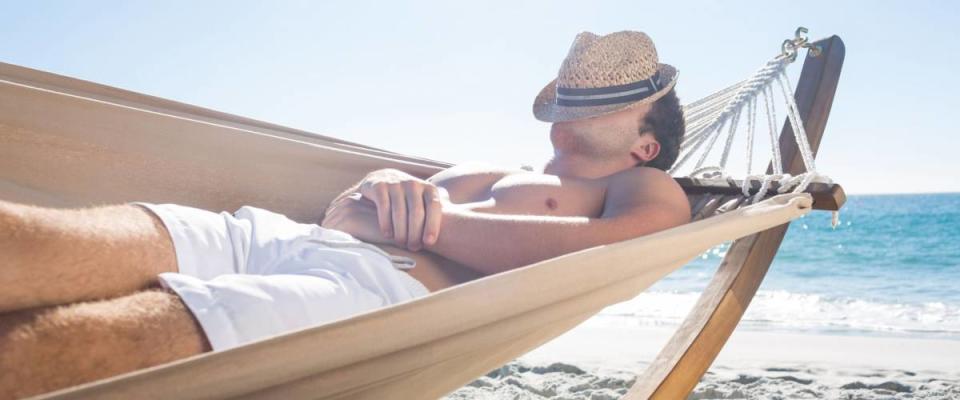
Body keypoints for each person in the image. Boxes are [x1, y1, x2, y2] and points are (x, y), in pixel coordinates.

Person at [0, 30, 689, 398]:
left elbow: (611, 246)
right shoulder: (501, 170)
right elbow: (345, 203)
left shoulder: (646, 187)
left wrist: (424, 222)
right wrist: (383, 178)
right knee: (27, 240)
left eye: (614, 98)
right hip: (275, 235)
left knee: (69, 347)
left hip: (368, 295)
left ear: (645, 142)